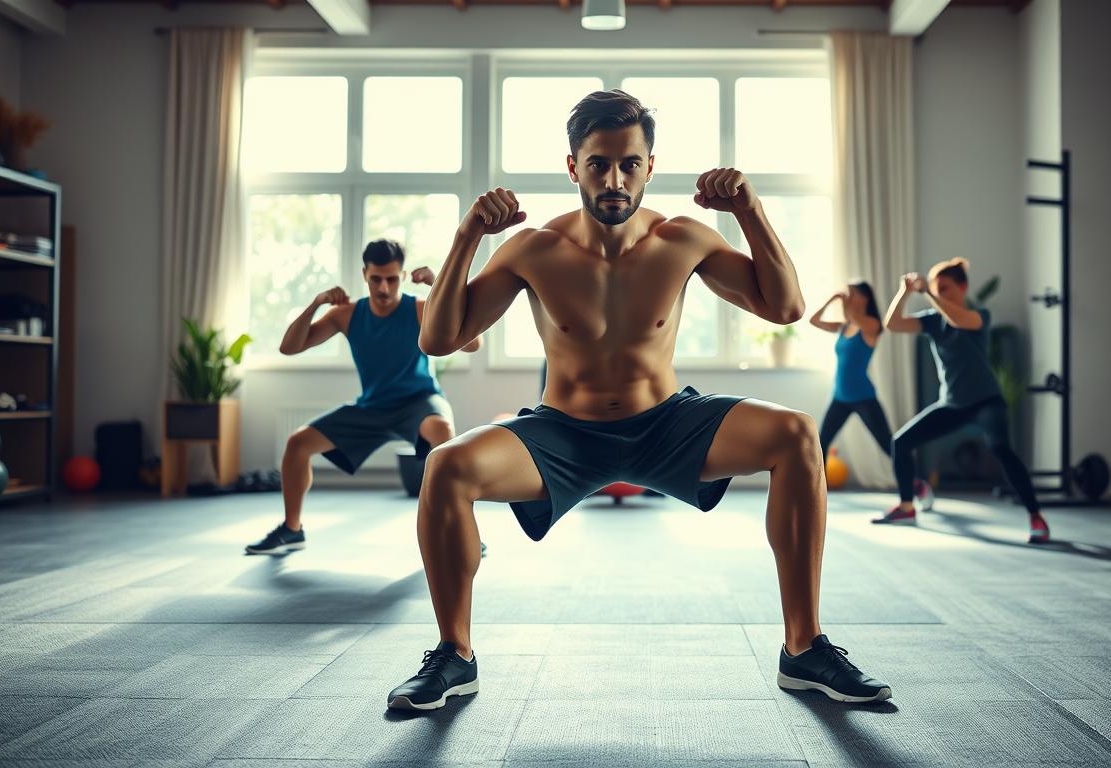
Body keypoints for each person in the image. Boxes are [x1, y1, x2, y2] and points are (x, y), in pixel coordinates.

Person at [385, 89, 891, 711]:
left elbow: (783, 307)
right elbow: (440, 337)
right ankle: (453, 656)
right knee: (446, 466)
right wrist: (469, 233)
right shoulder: (534, 249)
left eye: (629, 163)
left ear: (651, 166)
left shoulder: (683, 239)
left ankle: (804, 647)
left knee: (796, 433)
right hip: (564, 433)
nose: (615, 178)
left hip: (667, 423)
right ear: (573, 167)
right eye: (598, 163)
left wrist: (750, 209)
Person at [244, 239, 481, 555]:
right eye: (376, 279)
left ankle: (460, 531)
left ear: (402, 275)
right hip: (372, 407)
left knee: (443, 434)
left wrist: (439, 286)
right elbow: (289, 347)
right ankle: (292, 528)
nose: (384, 288)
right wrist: (316, 304)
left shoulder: (420, 309)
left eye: (392, 279)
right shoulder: (346, 314)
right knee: (297, 444)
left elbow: (473, 344)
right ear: (364, 275)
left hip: (419, 401)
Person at [879, 257, 1048, 543]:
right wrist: (905, 291)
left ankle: (1036, 517)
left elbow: (957, 319)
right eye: (936, 288)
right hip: (952, 404)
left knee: (1001, 448)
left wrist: (929, 294)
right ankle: (907, 506)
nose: (940, 293)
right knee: (901, 442)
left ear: (963, 287)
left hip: (986, 401)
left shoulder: (979, 315)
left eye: (945, 288)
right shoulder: (933, 322)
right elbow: (893, 324)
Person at [808, 283, 932, 508]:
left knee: (889, 446)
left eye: (853, 293)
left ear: (865, 298)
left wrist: (846, 305)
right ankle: (818, 496)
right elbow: (814, 321)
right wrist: (831, 300)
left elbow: (856, 317)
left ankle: (917, 485)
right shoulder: (845, 325)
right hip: (840, 397)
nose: (848, 297)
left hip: (864, 397)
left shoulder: (872, 325)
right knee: (821, 442)